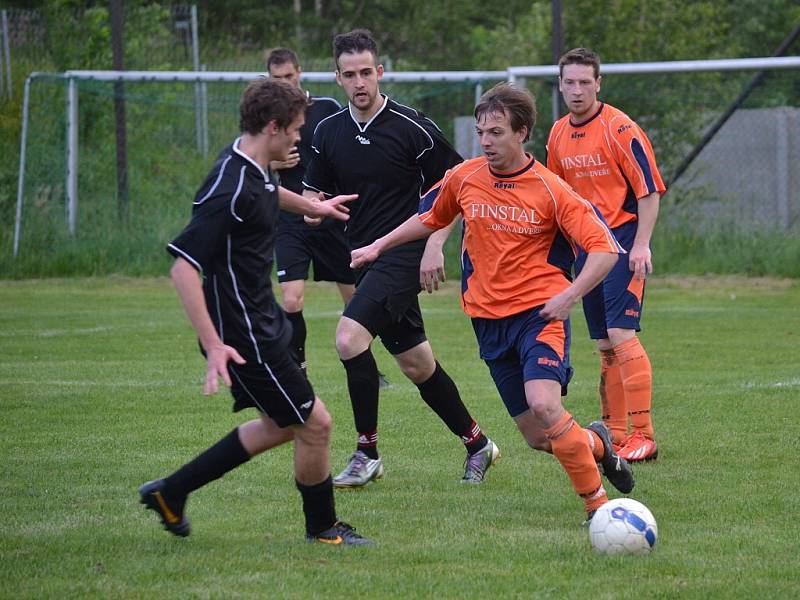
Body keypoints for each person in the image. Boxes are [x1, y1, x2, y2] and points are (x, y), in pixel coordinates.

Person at [350, 82, 634, 522]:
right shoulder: (464, 177)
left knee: (544, 405)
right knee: (539, 437)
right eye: (482, 132)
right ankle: (599, 444)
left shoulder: (551, 189)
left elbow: (606, 250)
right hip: (488, 322)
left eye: (496, 132)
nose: (486, 141)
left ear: (522, 133)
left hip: (540, 316)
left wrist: (570, 295)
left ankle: (599, 508)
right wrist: (377, 247)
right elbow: (429, 217)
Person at [138, 77, 372, 546]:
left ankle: (172, 491)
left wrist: (312, 207)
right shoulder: (231, 185)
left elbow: (267, 192)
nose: (299, 137)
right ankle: (322, 528)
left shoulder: (253, 160)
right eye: (296, 129)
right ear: (272, 126)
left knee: (284, 425)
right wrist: (213, 345)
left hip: (261, 318)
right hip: (245, 332)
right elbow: (184, 269)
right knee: (315, 424)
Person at [303, 29, 499, 488]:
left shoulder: (412, 126)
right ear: (337, 78)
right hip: (365, 258)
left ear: (380, 72)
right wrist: (315, 209)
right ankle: (478, 444)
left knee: (349, 339)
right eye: (349, 75)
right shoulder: (328, 132)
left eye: (366, 72)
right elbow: (315, 191)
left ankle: (366, 453)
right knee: (417, 365)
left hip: (405, 252)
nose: (359, 82)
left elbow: (458, 186)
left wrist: (434, 242)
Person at [546, 48, 665, 462]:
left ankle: (644, 434)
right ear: (560, 86)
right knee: (603, 343)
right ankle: (614, 432)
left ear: (598, 84)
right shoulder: (558, 133)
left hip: (623, 239)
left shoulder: (620, 129)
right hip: (588, 248)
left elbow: (649, 191)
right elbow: (557, 199)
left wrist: (641, 244)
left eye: (585, 82)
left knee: (621, 334)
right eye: (570, 83)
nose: (577, 90)